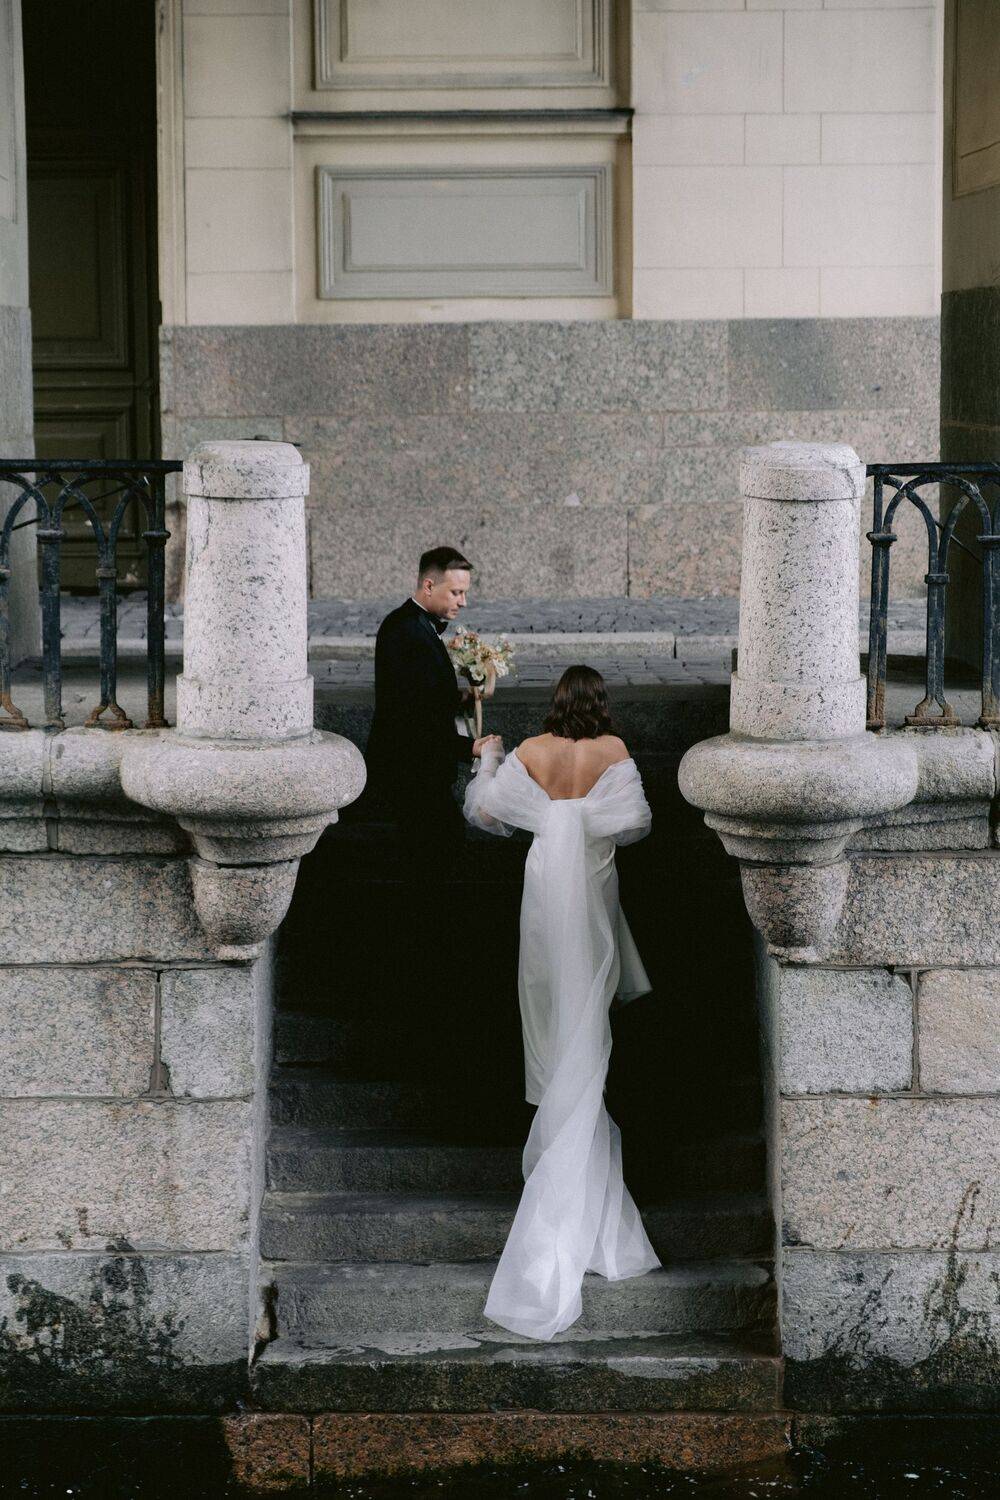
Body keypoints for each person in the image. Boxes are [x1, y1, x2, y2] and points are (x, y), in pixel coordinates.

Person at [463, 664, 659, 1341]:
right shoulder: (613, 751)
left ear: (555, 702)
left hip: (546, 889)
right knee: (588, 1015)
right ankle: (583, 1173)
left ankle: (558, 1143)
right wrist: (587, 820)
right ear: (599, 703)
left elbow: (487, 814)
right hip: (594, 892)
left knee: (546, 1007)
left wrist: (489, 762)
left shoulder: (532, 752)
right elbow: (635, 826)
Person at [366, 546, 500, 868]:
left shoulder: (414, 626)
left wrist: (458, 697)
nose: (463, 601)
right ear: (428, 586)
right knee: (434, 858)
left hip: (423, 771)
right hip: (412, 775)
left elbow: (420, 695)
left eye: (464, 593)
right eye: (456, 592)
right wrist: (469, 747)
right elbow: (411, 718)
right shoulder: (406, 632)